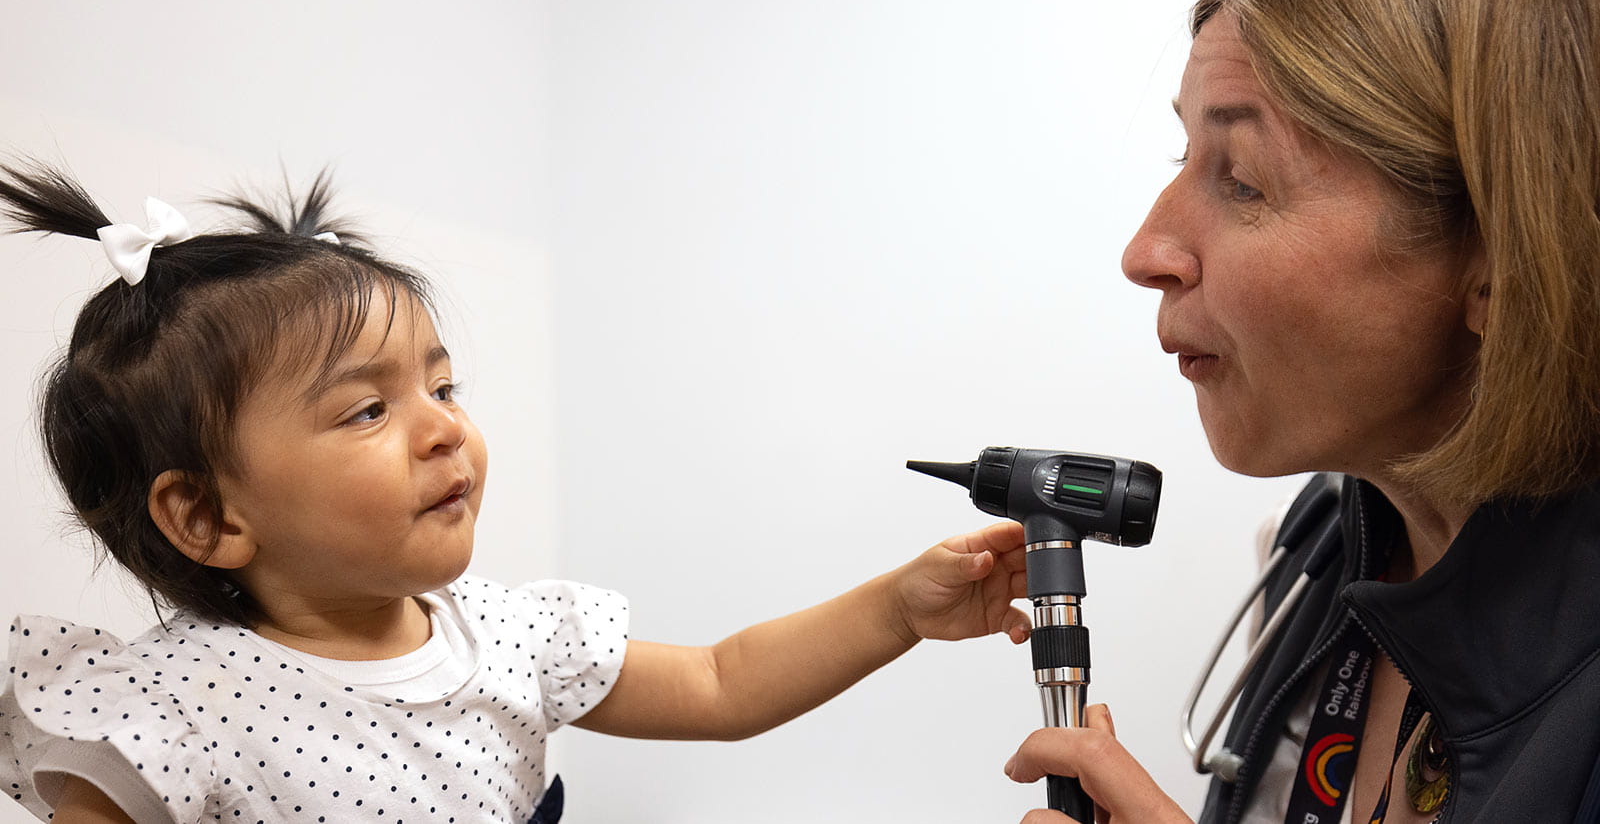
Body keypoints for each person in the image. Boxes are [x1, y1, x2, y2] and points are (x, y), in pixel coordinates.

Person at [0, 161, 1034, 823]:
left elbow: (723, 683)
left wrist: (900, 607)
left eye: (443, 387)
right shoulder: (167, 714)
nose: (446, 426)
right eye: (368, 411)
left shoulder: (510, 637)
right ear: (207, 516)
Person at [1003, 0, 1600, 821]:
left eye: (1241, 180)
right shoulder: (1316, 547)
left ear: (1498, 256)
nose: (1144, 251)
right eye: (1185, 157)